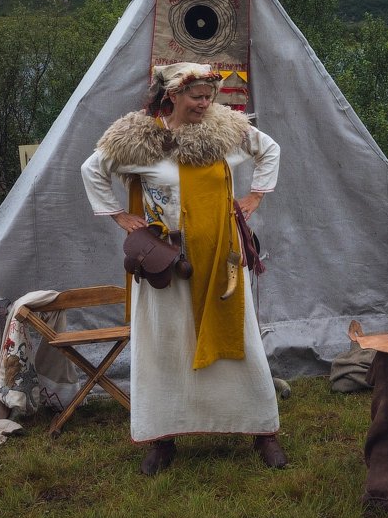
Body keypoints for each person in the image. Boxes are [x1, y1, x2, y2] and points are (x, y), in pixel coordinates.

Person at [81, 61, 286, 476]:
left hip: (219, 255)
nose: (205, 103)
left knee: (240, 342)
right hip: (164, 261)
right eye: (197, 97)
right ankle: (162, 437)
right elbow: (92, 170)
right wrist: (120, 217)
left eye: (210, 96)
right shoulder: (136, 139)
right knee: (164, 345)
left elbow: (270, 149)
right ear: (172, 95)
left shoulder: (224, 130)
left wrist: (255, 198)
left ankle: (263, 432)